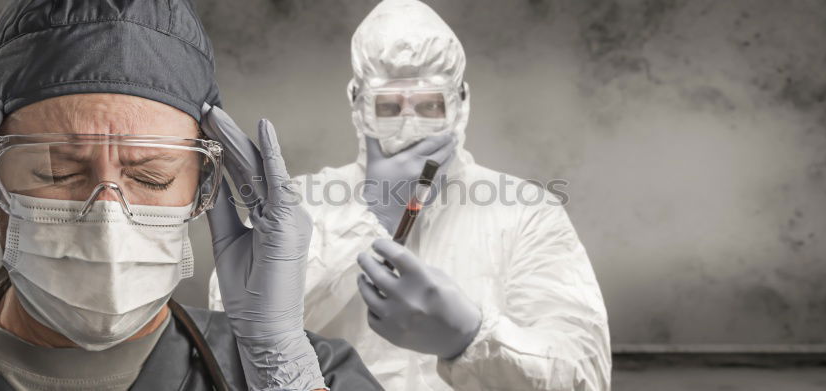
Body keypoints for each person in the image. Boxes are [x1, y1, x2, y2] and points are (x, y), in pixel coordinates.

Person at [0, 1, 381, 390]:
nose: (108, 218)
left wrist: (281, 367)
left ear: (204, 185)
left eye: (151, 178)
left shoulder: (323, 374)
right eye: (59, 170)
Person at [210, 0, 612, 389]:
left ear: (462, 101)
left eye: (429, 105)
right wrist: (367, 217)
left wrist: (471, 339)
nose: (409, 124)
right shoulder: (299, 204)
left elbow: (584, 376)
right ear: (357, 101)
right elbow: (233, 337)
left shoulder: (526, 213)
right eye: (388, 107)